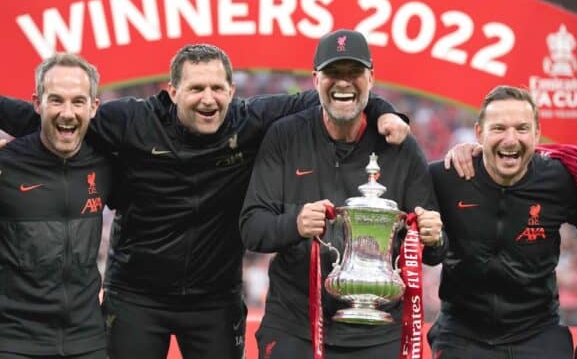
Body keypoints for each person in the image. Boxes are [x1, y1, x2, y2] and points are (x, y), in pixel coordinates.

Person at [0, 43, 409, 359]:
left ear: (232, 91)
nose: (207, 98)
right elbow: (45, 118)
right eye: (196, 88)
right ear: (173, 91)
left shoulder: (251, 121)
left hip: (214, 299)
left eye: (217, 88)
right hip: (136, 296)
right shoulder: (130, 121)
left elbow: (331, 94)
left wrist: (385, 111)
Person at [239, 29, 446, 359]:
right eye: (334, 72)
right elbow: (252, 229)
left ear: (371, 78)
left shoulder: (399, 147)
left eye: (354, 72)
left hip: (377, 330)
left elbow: (436, 250)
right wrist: (295, 224)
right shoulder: (285, 136)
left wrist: (435, 236)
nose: (344, 82)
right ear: (316, 79)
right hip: (295, 326)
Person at [428, 85, 577, 359]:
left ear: (537, 132)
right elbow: (425, 251)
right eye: (499, 128)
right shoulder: (445, 177)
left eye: (522, 128)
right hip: (462, 333)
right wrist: (433, 242)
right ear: (479, 133)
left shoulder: (560, 180)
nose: (511, 139)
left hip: (538, 332)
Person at [0, 53, 111, 358]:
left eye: (78, 101)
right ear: (37, 103)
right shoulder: (6, 165)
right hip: (13, 340)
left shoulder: (107, 162)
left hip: (87, 340)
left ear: (94, 107)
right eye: (56, 100)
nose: (67, 112)